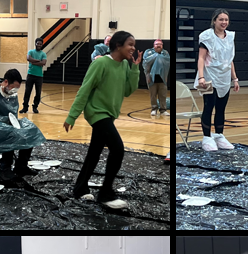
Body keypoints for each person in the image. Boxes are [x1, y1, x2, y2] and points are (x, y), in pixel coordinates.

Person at [63, 31, 141, 209]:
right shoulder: (101, 63)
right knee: (118, 149)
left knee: (94, 152)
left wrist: (135, 68)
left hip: (109, 114)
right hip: (97, 113)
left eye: (134, 45)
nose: (133, 48)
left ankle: (80, 188)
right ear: (118, 45)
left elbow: (128, 91)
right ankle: (105, 193)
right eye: (130, 44)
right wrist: (72, 116)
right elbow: (85, 89)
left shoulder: (124, 66)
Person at [194, 8, 238, 151]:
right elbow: (201, 57)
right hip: (209, 76)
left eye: (226, 20)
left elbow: (230, 60)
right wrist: (201, 76)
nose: (224, 22)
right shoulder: (207, 36)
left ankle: (219, 135)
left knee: (221, 108)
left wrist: (235, 79)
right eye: (221, 19)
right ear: (214, 21)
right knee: (208, 107)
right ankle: (207, 137)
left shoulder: (230, 37)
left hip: (224, 77)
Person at [143, 39, 170, 116]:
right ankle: (154, 109)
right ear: (153, 45)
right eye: (157, 44)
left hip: (162, 76)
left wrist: (159, 56)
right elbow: (146, 62)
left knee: (163, 94)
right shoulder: (148, 52)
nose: (158, 45)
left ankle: (163, 110)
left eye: (160, 44)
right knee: (153, 94)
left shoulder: (165, 53)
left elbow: (167, 62)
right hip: (151, 77)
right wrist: (156, 55)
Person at [21, 38, 47, 114]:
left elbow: (43, 63)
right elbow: (28, 58)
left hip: (39, 76)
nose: (39, 45)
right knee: (27, 92)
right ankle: (25, 107)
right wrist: (38, 61)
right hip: (30, 75)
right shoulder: (31, 51)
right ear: (35, 43)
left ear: (42, 45)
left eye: (40, 44)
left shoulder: (43, 54)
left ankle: (35, 107)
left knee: (38, 93)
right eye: (37, 43)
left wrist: (33, 62)